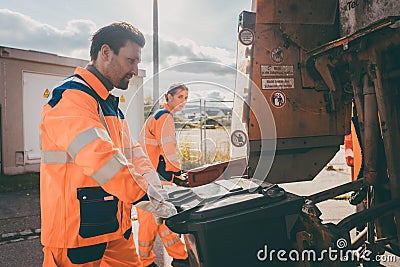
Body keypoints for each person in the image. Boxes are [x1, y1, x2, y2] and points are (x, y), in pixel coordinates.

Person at [40, 22, 176, 267]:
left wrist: (154, 184)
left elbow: (133, 152)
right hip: (77, 234)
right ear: (105, 53)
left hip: (115, 228)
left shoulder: (108, 104)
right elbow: (101, 158)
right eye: (130, 61)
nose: (135, 70)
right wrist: (146, 195)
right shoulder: (72, 98)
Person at [137, 83, 190, 267]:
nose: (183, 101)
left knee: (165, 219)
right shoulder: (165, 117)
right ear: (168, 97)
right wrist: (177, 174)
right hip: (151, 180)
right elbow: (169, 150)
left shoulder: (158, 115)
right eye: (179, 97)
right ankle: (145, 261)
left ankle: (180, 257)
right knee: (149, 222)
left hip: (153, 177)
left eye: (185, 98)